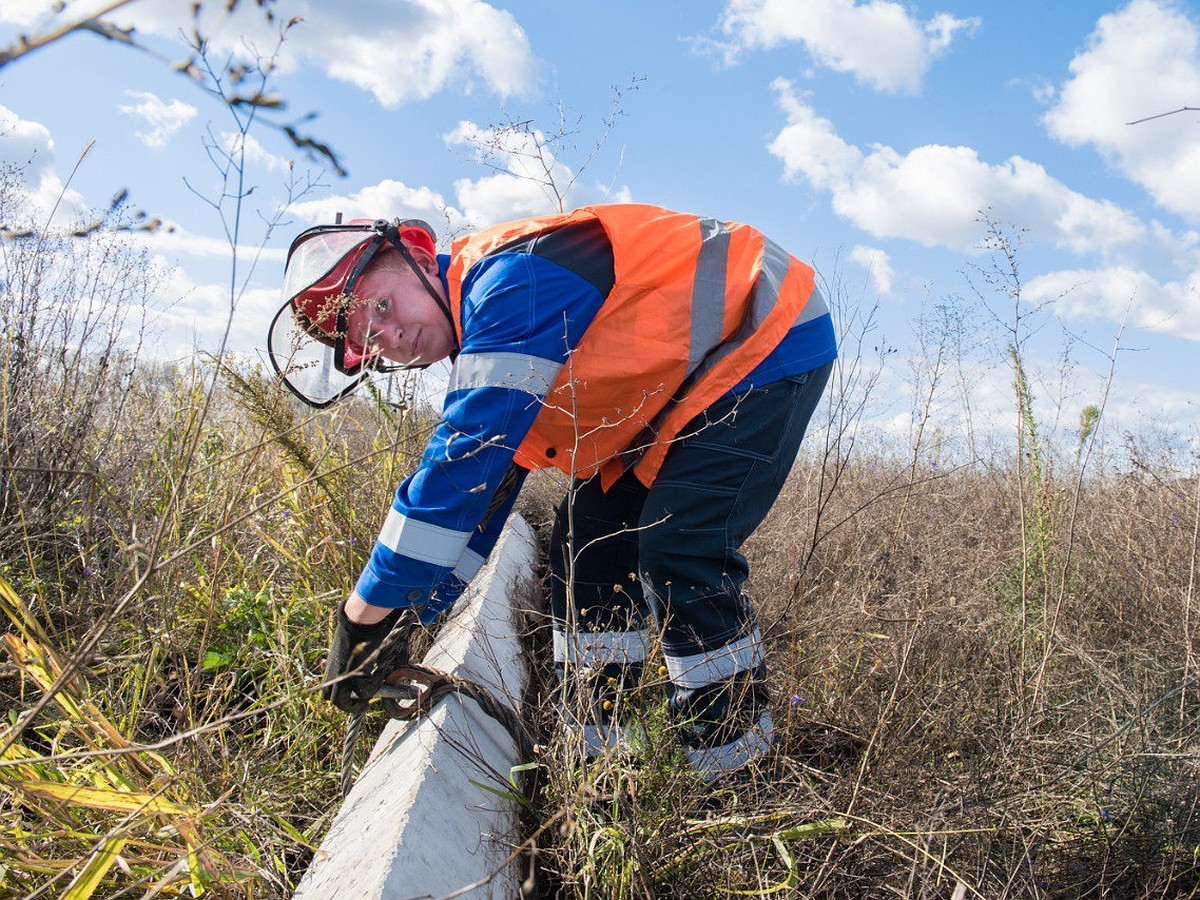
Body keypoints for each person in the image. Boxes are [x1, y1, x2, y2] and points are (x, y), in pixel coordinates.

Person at [267, 204, 836, 780]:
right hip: (681, 388)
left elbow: (460, 468)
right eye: (373, 339)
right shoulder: (486, 338)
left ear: (417, 255)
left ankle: (733, 771)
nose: (393, 335)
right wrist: (409, 620)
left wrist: (362, 622)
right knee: (582, 543)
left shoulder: (512, 280)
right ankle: (599, 752)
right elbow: (479, 507)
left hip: (767, 330)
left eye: (383, 306)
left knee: (678, 547)